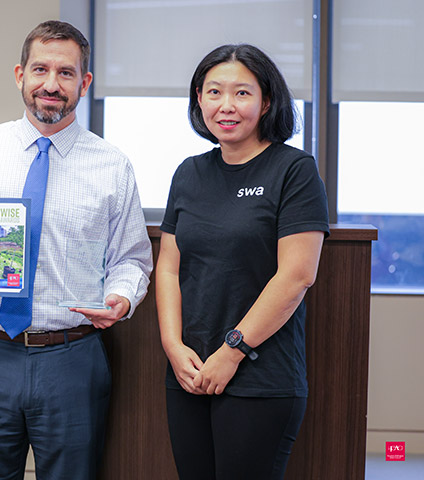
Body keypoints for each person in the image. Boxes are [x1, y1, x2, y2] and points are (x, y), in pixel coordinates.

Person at [0, 20, 152, 480]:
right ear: (19, 75)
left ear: (84, 83)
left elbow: (132, 259)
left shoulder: (112, 166)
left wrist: (123, 298)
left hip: (71, 357)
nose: (51, 84)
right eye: (40, 69)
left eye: (66, 73)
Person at [155, 44, 330, 479]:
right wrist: (173, 347)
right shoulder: (188, 173)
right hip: (189, 374)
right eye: (214, 92)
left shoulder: (294, 169)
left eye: (242, 93)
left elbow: (296, 276)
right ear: (199, 99)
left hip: (259, 376)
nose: (226, 106)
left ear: (266, 100)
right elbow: (168, 267)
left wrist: (232, 352)